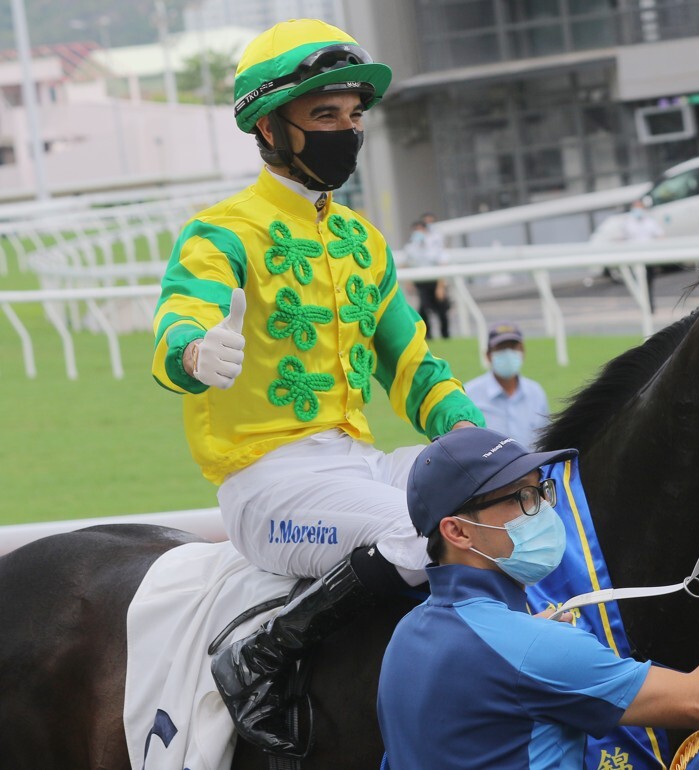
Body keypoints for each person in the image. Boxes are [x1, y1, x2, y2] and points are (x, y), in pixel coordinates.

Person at [149, 18, 485, 753]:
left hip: (356, 463)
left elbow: (410, 363)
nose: (347, 130)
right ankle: (260, 657)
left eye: (354, 115)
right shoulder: (221, 233)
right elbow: (177, 323)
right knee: (418, 532)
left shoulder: (362, 241)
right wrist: (194, 352)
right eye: (325, 115)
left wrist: (469, 433)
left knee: (503, 513)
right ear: (271, 126)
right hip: (268, 485)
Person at [376, 427, 699, 769]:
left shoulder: (406, 636)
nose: (541, 508)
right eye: (519, 500)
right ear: (456, 531)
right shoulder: (531, 647)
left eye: (540, 490)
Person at [465, 322, 550, 448]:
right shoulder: (469, 394)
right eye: (501, 348)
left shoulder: (536, 392)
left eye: (513, 348)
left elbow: (545, 440)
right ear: (488, 355)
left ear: (523, 352)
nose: (508, 354)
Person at [403, 215, 452, 339]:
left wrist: (441, 287)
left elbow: (442, 265)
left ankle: (445, 335)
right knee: (424, 308)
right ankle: (427, 336)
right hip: (421, 283)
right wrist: (408, 283)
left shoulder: (434, 246)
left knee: (441, 309)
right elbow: (406, 264)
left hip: (436, 282)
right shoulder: (410, 248)